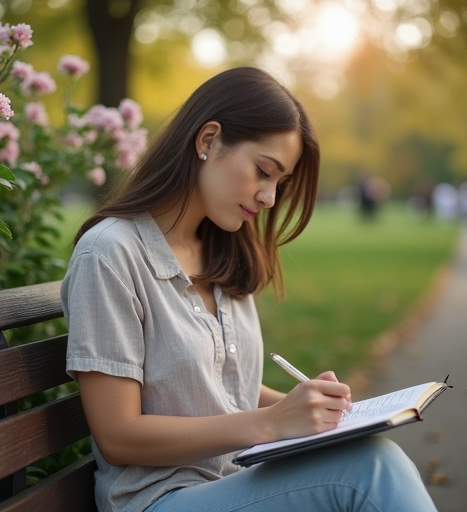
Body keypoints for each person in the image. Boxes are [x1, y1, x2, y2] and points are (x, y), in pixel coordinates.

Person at [61, 67, 437, 512]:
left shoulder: (223, 254)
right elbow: (118, 435)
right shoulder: (110, 253)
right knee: (370, 471)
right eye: (264, 172)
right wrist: (270, 423)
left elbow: (215, 384)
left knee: (368, 457)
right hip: (158, 499)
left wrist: (314, 411)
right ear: (208, 141)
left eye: (280, 182)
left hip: (236, 481)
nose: (270, 198)